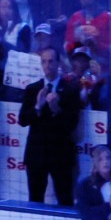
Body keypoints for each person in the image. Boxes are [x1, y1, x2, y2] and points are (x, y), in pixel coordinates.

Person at [20, 44, 84, 206]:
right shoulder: (32, 89)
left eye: (51, 61)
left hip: (61, 154)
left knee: (65, 200)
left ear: (58, 63)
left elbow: (72, 124)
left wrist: (56, 109)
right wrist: (37, 107)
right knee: (35, 200)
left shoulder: (71, 89)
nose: (47, 65)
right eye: (44, 62)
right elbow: (22, 120)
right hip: (36, 154)